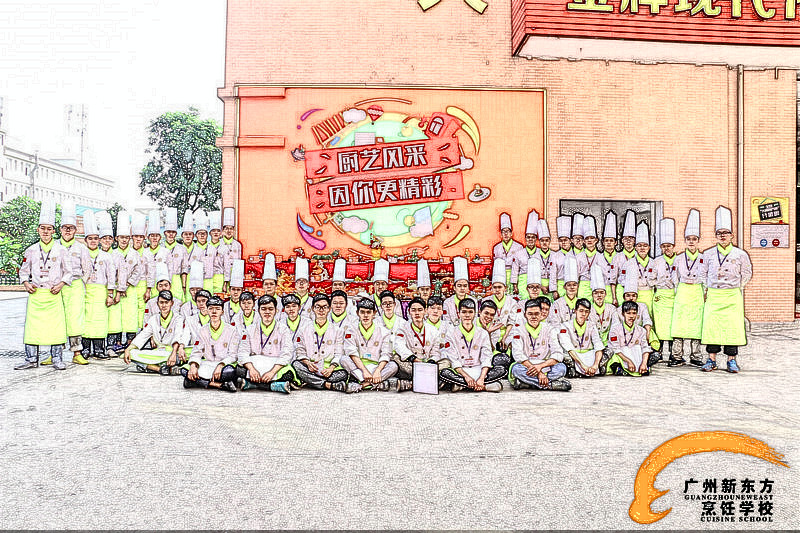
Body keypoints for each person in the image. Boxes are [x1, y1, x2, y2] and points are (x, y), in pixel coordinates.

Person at [15, 200, 70, 371]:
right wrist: (26, 283)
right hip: (36, 295)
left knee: (56, 328)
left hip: (53, 295)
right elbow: (24, 271)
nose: (46, 232)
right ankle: (31, 359)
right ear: (38, 230)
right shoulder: (31, 250)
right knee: (33, 328)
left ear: (53, 231)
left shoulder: (61, 250)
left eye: (49, 228)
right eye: (43, 228)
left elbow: (69, 272)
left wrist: (61, 284)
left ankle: (57, 359)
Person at [700, 206, 752, 374]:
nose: (722, 235)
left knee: (732, 328)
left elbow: (747, 273)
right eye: (719, 233)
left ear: (732, 235)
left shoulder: (740, 254)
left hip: (732, 295)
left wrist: (737, 286)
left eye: (726, 233)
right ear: (716, 236)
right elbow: (702, 273)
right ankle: (711, 360)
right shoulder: (708, 254)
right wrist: (708, 288)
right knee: (712, 328)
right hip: (714, 295)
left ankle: (731, 360)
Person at [293, 293, 357, 393]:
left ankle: (311, 381)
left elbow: (338, 353)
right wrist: (308, 363)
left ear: (329, 309)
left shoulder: (337, 330)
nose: (321, 310)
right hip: (311, 367)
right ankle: (327, 385)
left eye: (325, 307)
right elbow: (300, 351)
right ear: (313, 309)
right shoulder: (303, 329)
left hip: (328, 369)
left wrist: (331, 368)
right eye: (318, 307)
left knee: (343, 374)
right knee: (296, 365)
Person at [439, 298, 505, 392]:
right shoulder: (451, 333)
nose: (467, 315)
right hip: (460, 371)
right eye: (464, 312)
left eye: (470, 312)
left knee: (501, 370)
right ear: (459, 313)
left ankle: (461, 385)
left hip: (479, 369)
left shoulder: (483, 333)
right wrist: (466, 377)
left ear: (475, 313)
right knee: (445, 373)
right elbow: (453, 359)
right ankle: (484, 386)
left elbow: (486, 357)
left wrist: (481, 378)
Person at [508, 299, 571, 391]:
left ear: (541, 314)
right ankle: (550, 385)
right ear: (525, 315)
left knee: (561, 368)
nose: (533, 317)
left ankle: (528, 383)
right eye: (530, 314)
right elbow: (518, 355)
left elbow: (558, 353)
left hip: (545, 365)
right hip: (527, 366)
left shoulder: (549, 329)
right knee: (516, 369)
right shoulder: (518, 330)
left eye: (536, 314)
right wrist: (539, 373)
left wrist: (540, 367)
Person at [669, 209, 706, 367]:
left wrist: (705, 292)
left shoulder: (704, 258)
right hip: (683, 292)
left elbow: (706, 277)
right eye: (688, 239)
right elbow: (674, 276)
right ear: (685, 241)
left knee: (696, 326)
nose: (691, 242)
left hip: (697, 292)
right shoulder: (678, 258)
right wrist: (677, 291)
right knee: (679, 325)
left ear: (698, 240)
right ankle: (677, 356)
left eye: (694, 239)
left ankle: (696, 356)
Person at [236, 295, 295, 393]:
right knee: (239, 370)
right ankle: (273, 386)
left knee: (288, 374)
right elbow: (242, 352)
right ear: (258, 310)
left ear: (276, 310)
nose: (267, 312)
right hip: (256, 364)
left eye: (270, 309)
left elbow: (287, 353)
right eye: (263, 309)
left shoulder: (283, 329)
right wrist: (252, 369)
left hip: (275, 364)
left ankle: (253, 384)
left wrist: (272, 372)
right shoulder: (250, 329)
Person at [123, 290, 187, 375]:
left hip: (173, 352)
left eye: (166, 302)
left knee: (186, 355)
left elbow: (177, 336)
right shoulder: (153, 319)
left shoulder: (178, 318)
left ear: (172, 303)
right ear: (157, 303)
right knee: (130, 353)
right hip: (158, 352)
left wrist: (173, 353)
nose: (164, 305)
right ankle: (160, 369)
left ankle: (151, 366)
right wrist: (128, 349)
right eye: (161, 302)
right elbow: (142, 336)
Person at [182, 296, 239, 392]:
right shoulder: (202, 330)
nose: (214, 312)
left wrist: (221, 365)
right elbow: (197, 352)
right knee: (184, 370)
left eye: (217, 309)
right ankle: (219, 385)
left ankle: (195, 382)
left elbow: (233, 355)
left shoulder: (232, 330)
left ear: (222, 312)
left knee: (231, 372)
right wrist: (193, 365)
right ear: (207, 311)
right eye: (211, 309)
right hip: (207, 364)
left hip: (223, 365)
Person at [340, 298, 399, 390]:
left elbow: (386, 353)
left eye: (369, 312)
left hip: (376, 366)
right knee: (344, 359)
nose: (365, 315)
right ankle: (375, 383)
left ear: (374, 313)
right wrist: (364, 371)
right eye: (362, 312)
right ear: (357, 313)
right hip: (359, 367)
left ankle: (364, 384)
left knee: (393, 366)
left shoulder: (384, 331)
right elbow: (351, 352)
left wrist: (378, 371)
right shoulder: (351, 329)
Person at [58, 200, 90, 364]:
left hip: (76, 286)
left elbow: (87, 269)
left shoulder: (81, 248)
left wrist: (81, 283)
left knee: (76, 319)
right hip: (58, 287)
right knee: (57, 318)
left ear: (75, 230)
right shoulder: (54, 246)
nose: (68, 230)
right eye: (65, 227)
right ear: (60, 229)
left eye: (71, 228)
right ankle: (55, 354)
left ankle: (77, 353)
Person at [80, 211, 116, 360]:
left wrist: (110, 295)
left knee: (100, 322)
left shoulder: (106, 256)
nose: (93, 241)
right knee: (85, 321)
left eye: (96, 238)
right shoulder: (81, 254)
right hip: (85, 291)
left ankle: (99, 350)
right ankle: (85, 349)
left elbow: (111, 276)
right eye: (90, 238)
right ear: (86, 240)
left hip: (101, 291)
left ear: (99, 240)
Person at [392, 297, 449, 392]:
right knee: (396, 358)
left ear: (425, 311)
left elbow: (436, 352)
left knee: (446, 362)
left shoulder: (433, 330)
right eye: (413, 310)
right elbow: (399, 346)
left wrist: (431, 362)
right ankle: (435, 382)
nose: (417, 313)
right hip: (411, 364)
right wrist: (413, 359)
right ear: (409, 311)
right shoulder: (402, 328)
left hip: (428, 363)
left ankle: (410, 384)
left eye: (420, 310)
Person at [111, 211, 145, 351]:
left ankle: (131, 341)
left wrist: (126, 285)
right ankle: (117, 342)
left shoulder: (134, 254)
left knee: (131, 315)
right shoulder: (112, 254)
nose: (124, 240)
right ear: (116, 238)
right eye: (121, 237)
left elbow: (138, 271)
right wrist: (119, 287)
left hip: (130, 290)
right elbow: (111, 273)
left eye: (126, 237)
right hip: (117, 290)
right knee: (116, 316)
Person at [650, 218, 678, 364]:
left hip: (674, 295)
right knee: (660, 326)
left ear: (673, 246)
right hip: (660, 296)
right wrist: (660, 283)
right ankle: (658, 353)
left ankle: (673, 354)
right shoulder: (656, 261)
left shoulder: (680, 260)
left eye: (669, 246)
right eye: (664, 246)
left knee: (673, 326)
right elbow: (650, 279)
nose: (666, 249)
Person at [557, 298, 606, 378]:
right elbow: (568, 347)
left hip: (589, 354)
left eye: (586, 312)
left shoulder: (591, 325)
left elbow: (598, 344)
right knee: (562, 354)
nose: (583, 314)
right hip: (574, 356)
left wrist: (595, 365)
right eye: (581, 311)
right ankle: (575, 369)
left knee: (608, 350)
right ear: (575, 311)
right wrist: (582, 365)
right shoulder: (565, 326)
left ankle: (594, 368)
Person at [606, 300, 653, 376]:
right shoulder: (615, 329)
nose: (631, 316)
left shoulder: (641, 330)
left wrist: (644, 363)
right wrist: (629, 361)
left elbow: (645, 347)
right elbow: (615, 348)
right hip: (621, 355)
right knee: (614, 355)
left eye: (634, 313)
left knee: (640, 349)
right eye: (628, 313)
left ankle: (641, 367)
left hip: (635, 354)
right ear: (623, 314)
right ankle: (621, 368)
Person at [483, 257, 522, 349]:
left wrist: (505, 337)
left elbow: (511, 322)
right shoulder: (486, 301)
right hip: (491, 332)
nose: (497, 290)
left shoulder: (512, 302)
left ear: (505, 288)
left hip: (508, 333)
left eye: (500, 287)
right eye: (495, 287)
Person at [143, 209, 171, 320]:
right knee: (151, 310)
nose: (154, 238)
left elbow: (170, 271)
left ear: (160, 237)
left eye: (156, 236)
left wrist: (167, 288)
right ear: (148, 237)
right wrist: (148, 289)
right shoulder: (144, 252)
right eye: (152, 236)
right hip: (148, 287)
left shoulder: (166, 252)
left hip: (162, 286)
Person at [512, 210, 540, 300]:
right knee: (524, 301)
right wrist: (515, 286)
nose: (530, 239)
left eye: (533, 237)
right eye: (528, 237)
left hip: (537, 282)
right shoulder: (519, 253)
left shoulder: (540, 252)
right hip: (523, 281)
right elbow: (515, 270)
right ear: (525, 238)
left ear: (536, 239)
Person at [492, 212, 523, 289]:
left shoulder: (519, 247)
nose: (505, 234)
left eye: (507, 231)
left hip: (514, 275)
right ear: (501, 234)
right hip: (501, 275)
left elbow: (520, 265)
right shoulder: (496, 247)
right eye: (503, 231)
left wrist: (516, 283)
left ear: (511, 233)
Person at [188, 212, 217, 294]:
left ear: (207, 235)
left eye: (204, 233)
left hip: (209, 280)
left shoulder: (213, 249)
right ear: (196, 235)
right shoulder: (191, 249)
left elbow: (215, 265)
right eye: (199, 233)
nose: (202, 235)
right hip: (195, 283)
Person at [130, 213, 150, 330]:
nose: (138, 239)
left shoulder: (148, 253)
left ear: (144, 238)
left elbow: (150, 273)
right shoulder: (128, 253)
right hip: (130, 286)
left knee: (142, 309)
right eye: (136, 236)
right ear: (132, 237)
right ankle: (131, 334)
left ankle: (143, 331)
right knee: (131, 309)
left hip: (143, 284)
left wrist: (148, 290)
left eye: (141, 237)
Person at [588, 264, 616, 345]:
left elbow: (615, 324)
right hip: (592, 343)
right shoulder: (588, 309)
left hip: (609, 342)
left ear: (605, 294)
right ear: (592, 295)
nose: (599, 295)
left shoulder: (612, 308)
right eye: (596, 293)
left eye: (602, 293)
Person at [164, 208, 188, 301]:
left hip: (177, 280)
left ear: (176, 233)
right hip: (163, 281)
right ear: (165, 233)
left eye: (173, 232)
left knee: (177, 302)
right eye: (168, 232)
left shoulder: (182, 249)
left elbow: (184, 269)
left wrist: (184, 286)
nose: (171, 234)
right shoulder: (161, 248)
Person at [443, 256, 476, 325]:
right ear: (454, 288)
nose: (462, 288)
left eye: (465, 286)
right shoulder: (447, 302)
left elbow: (474, 321)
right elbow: (446, 322)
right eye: (459, 286)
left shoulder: (474, 301)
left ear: (468, 287)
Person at [600, 210, 622, 306]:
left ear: (616, 242)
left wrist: (615, 297)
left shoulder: (620, 257)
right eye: (606, 240)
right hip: (601, 291)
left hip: (618, 292)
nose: (609, 243)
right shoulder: (598, 257)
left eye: (611, 240)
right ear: (603, 242)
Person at [615, 210, 638, 304]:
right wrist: (614, 297)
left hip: (636, 291)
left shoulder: (638, 256)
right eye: (626, 239)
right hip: (621, 290)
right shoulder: (617, 257)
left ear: (635, 241)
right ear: (622, 241)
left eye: (631, 238)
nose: (628, 241)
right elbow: (614, 279)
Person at [549, 255, 579, 324]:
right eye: (569, 285)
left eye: (574, 285)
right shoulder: (557, 303)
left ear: (578, 286)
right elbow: (554, 321)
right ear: (564, 287)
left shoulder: (580, 302)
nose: (572, 287)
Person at [550, 215, 573, 299]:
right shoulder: (555, 256)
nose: (563, 242)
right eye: (560, 240)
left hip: (573, 287)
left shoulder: (575, 255)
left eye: (565, 240)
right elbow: (553, 274)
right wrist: (554, 290)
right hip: (560, 286)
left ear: (570, 240)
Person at [220, 207, 243, 293]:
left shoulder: (238, 245)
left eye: (231, 228)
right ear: (223, 230)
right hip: (221, 278)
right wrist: (225, 282)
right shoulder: (219, 244)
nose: (229, 231)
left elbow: (238, 264)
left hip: (235, 278)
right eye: (226, 228)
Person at [579, 215, 600, 301]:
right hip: (582, 287)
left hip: (597, 287)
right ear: (584, 241)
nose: (589, 240)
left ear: (596, 240)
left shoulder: (600, 256)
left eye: (592, 238)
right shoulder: (578, 257)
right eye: (587, 238)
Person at [207, 210, 228, 294]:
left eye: (218, 231)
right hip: (208, 278)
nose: (216, 233)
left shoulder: (224, 248)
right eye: (213, 231)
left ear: (221, 233)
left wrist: (225, 283)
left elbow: (226, 266)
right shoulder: (206, 247)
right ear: (210, 233)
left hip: (220, 277)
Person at [536, 219, 556, 301]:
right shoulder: (534, 256)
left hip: (552, 286)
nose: (544, 243)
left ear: (550, 241)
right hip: (538, 286)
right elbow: (533, 274)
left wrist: (551, 287)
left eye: (546, 240)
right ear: (539, 241)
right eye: (542, 240)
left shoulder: (555, 255)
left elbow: (555, 273)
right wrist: (541, 287)